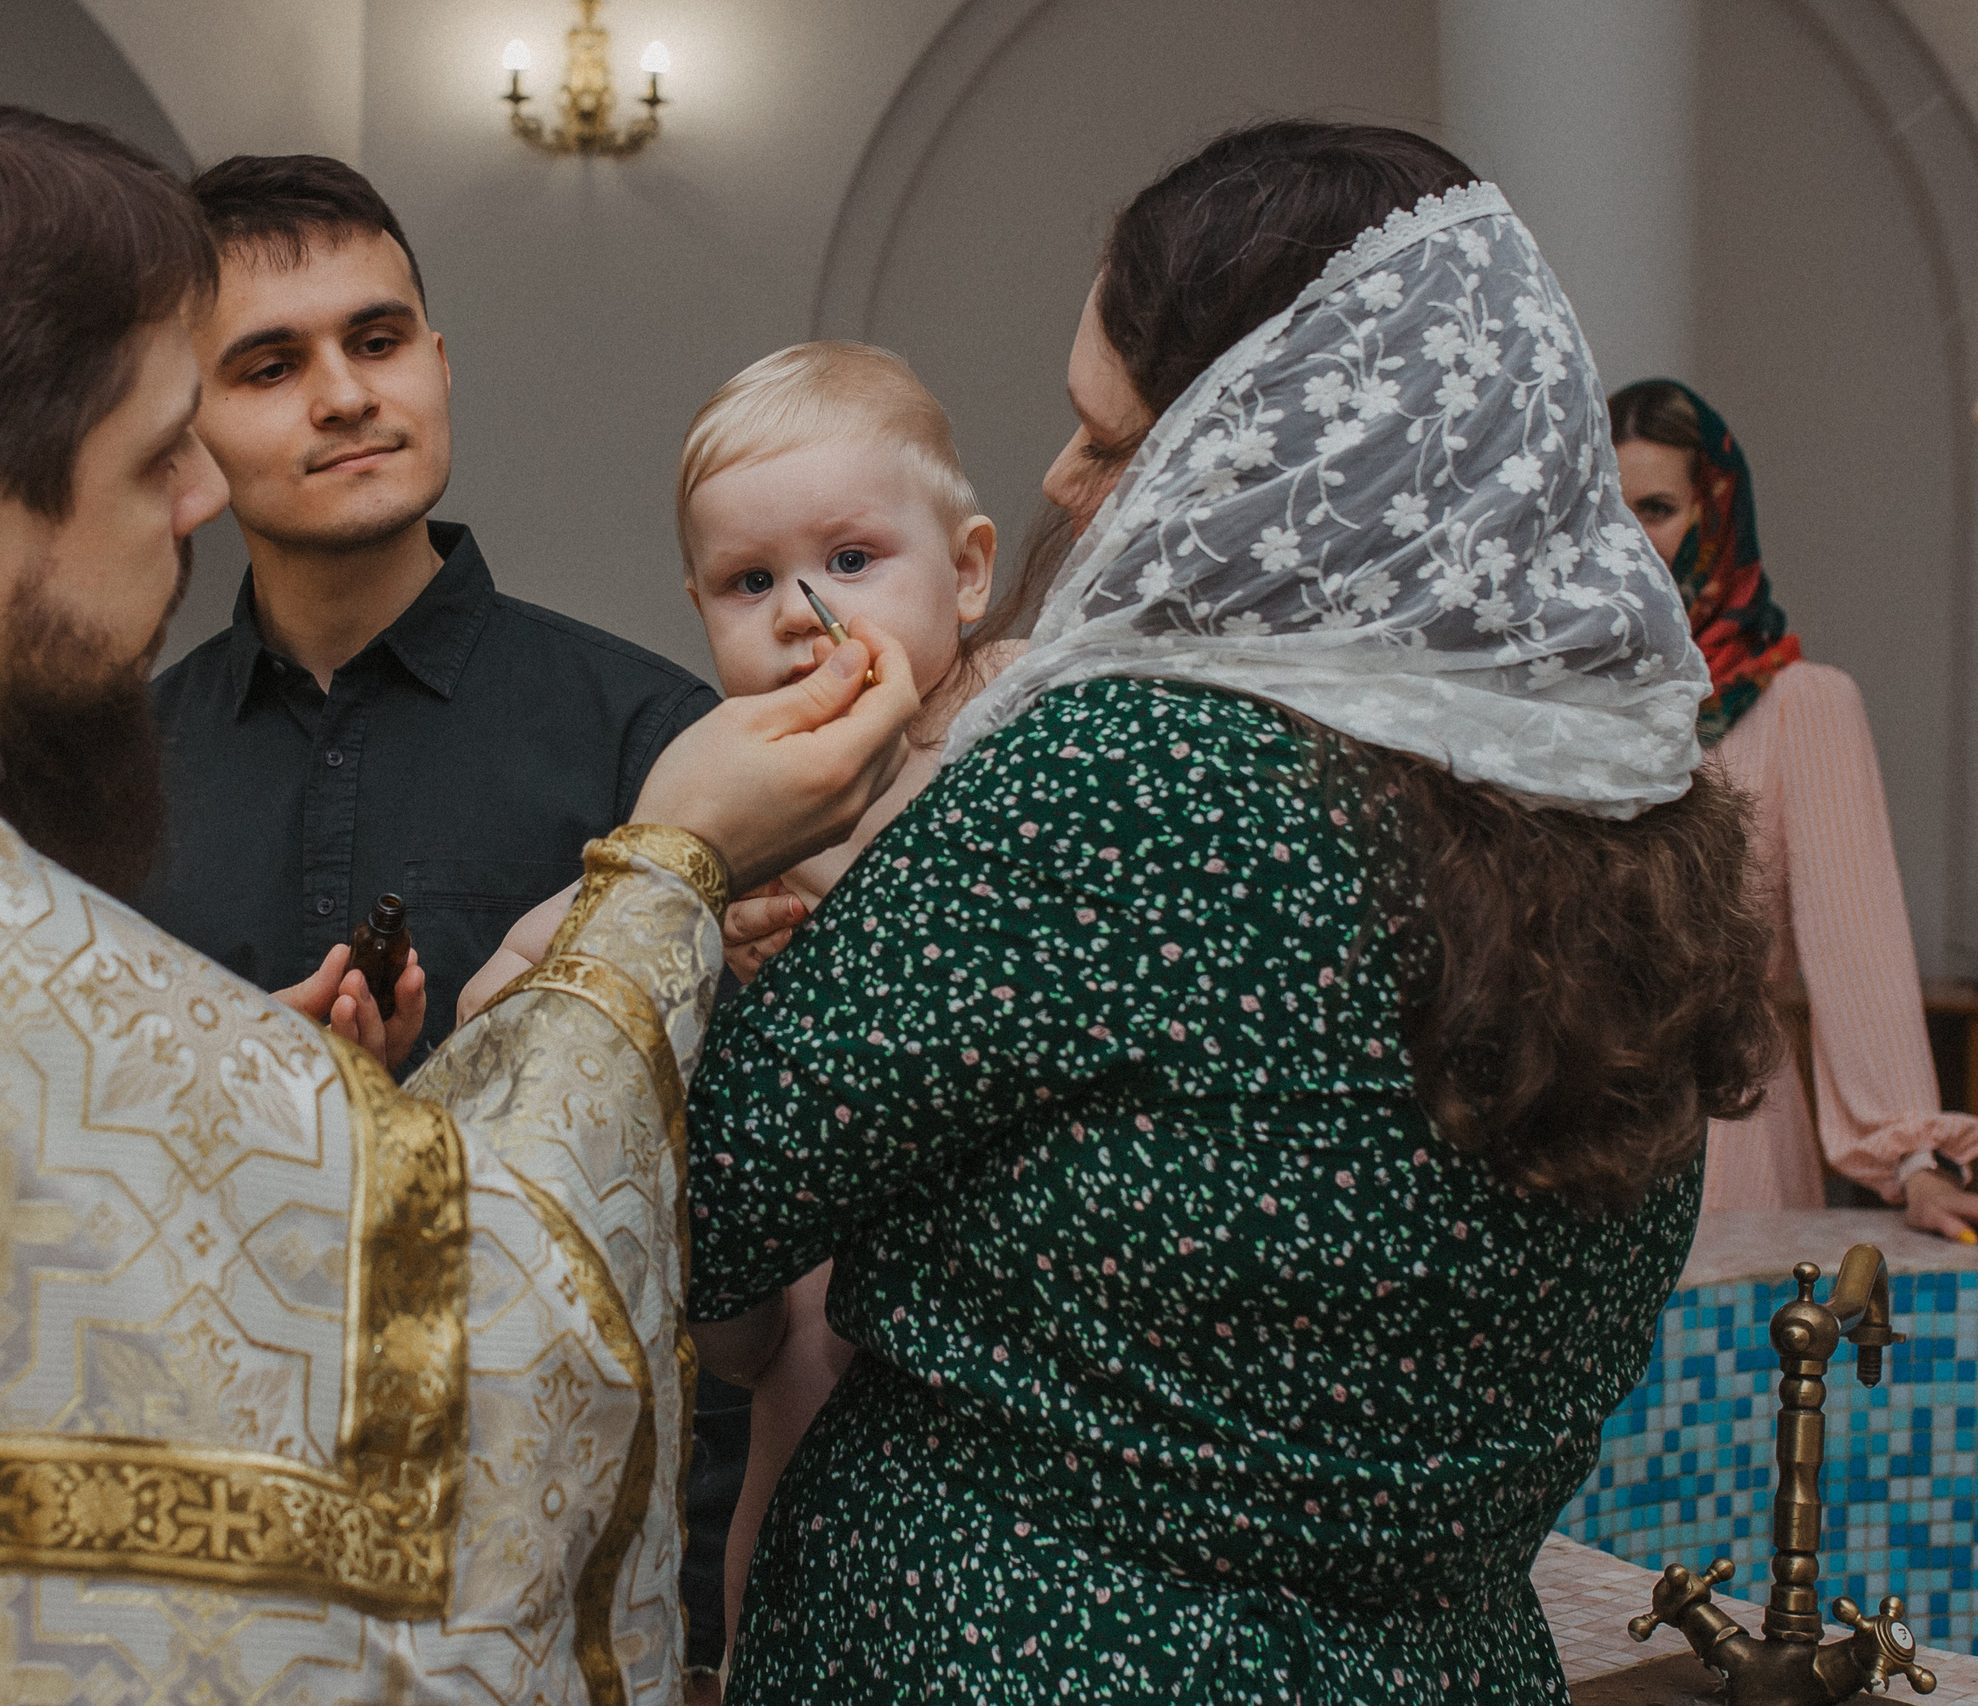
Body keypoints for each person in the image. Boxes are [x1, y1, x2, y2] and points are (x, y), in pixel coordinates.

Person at [0, 90, 919, 1706]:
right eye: (158, 456)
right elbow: (492, 1353)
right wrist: (667, 871)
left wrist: (180, 1129)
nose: (203, 502)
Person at [683, 121, 1779, 1703]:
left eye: (1115, 439)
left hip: (1027, 1649)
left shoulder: (1135, 770)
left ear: (1288, 455)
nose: (1062, 481)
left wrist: (673, 861)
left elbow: (711, 1198)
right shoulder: (1635, 811)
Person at [461, 341, 1020, 1666]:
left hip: (977, 1274)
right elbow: (590, 925)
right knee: (781, 1469)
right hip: (789, 1278)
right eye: (750, 580)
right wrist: (578, 948)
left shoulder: (1024, 726)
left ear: (973, 570)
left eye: (851, 558)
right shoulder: (738, 772)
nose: (802, 611)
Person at [139, 154, 716, 1070]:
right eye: (273, 366)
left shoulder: (653, 738)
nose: (346, 397)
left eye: (376, 343)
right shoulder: (112, 774)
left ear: (438, 366)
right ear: (178, 429)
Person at [1611, 379, 1978, 1234]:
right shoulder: (1545, 706)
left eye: (1658, 509)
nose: (1632, 543)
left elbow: (1861, 946)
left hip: (1726, 1124)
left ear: (1717, 513)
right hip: (1564, 1132)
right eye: (1608, 509)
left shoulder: (1801, 705)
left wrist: (1913, 1159)